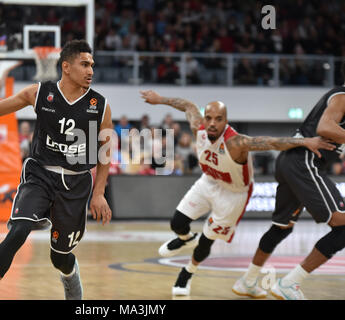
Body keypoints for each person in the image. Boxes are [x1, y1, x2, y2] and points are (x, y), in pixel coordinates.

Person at [0, 40, 113, 300]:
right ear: (66, 67)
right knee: (19, 231)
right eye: (85, 64)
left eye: (92, 65)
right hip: (40, 175)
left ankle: (70, 277)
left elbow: (106, 151)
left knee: (59, 257)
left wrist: (99, 193)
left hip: (76, 183)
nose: (91, 70)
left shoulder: (99, 105)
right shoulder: (39, 93)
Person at [140, 90, 335, 297]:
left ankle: (187, 272)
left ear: (226, 121)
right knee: (177, 223)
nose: (212, 123)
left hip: (233, 194)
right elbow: (188, 105)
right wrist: (160, 100)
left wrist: (304, 142)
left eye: (218, 119)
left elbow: (271, 142)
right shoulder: (199, 128)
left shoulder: (236, 143)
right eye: (209, 118)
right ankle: (186, 238)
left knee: (206, 242)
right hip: (209, 181)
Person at [235, 62, 345, 300]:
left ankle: (248, 281)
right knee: (343, 227)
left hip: (290, 161)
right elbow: (325, 127)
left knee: (282, 227)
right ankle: (290, 283)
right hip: (303, 161)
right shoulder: (343, 95)